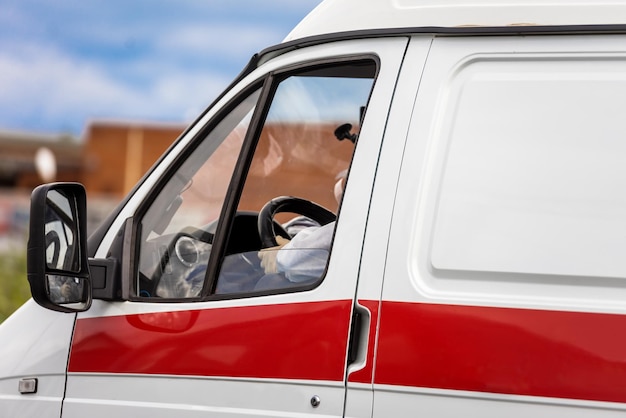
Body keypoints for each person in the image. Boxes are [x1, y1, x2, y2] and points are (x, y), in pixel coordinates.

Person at [256, 169, 346, 289]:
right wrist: (289, 248)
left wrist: (279, 257)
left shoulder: (356, 229)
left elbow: (292, 262)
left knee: (269, 283)